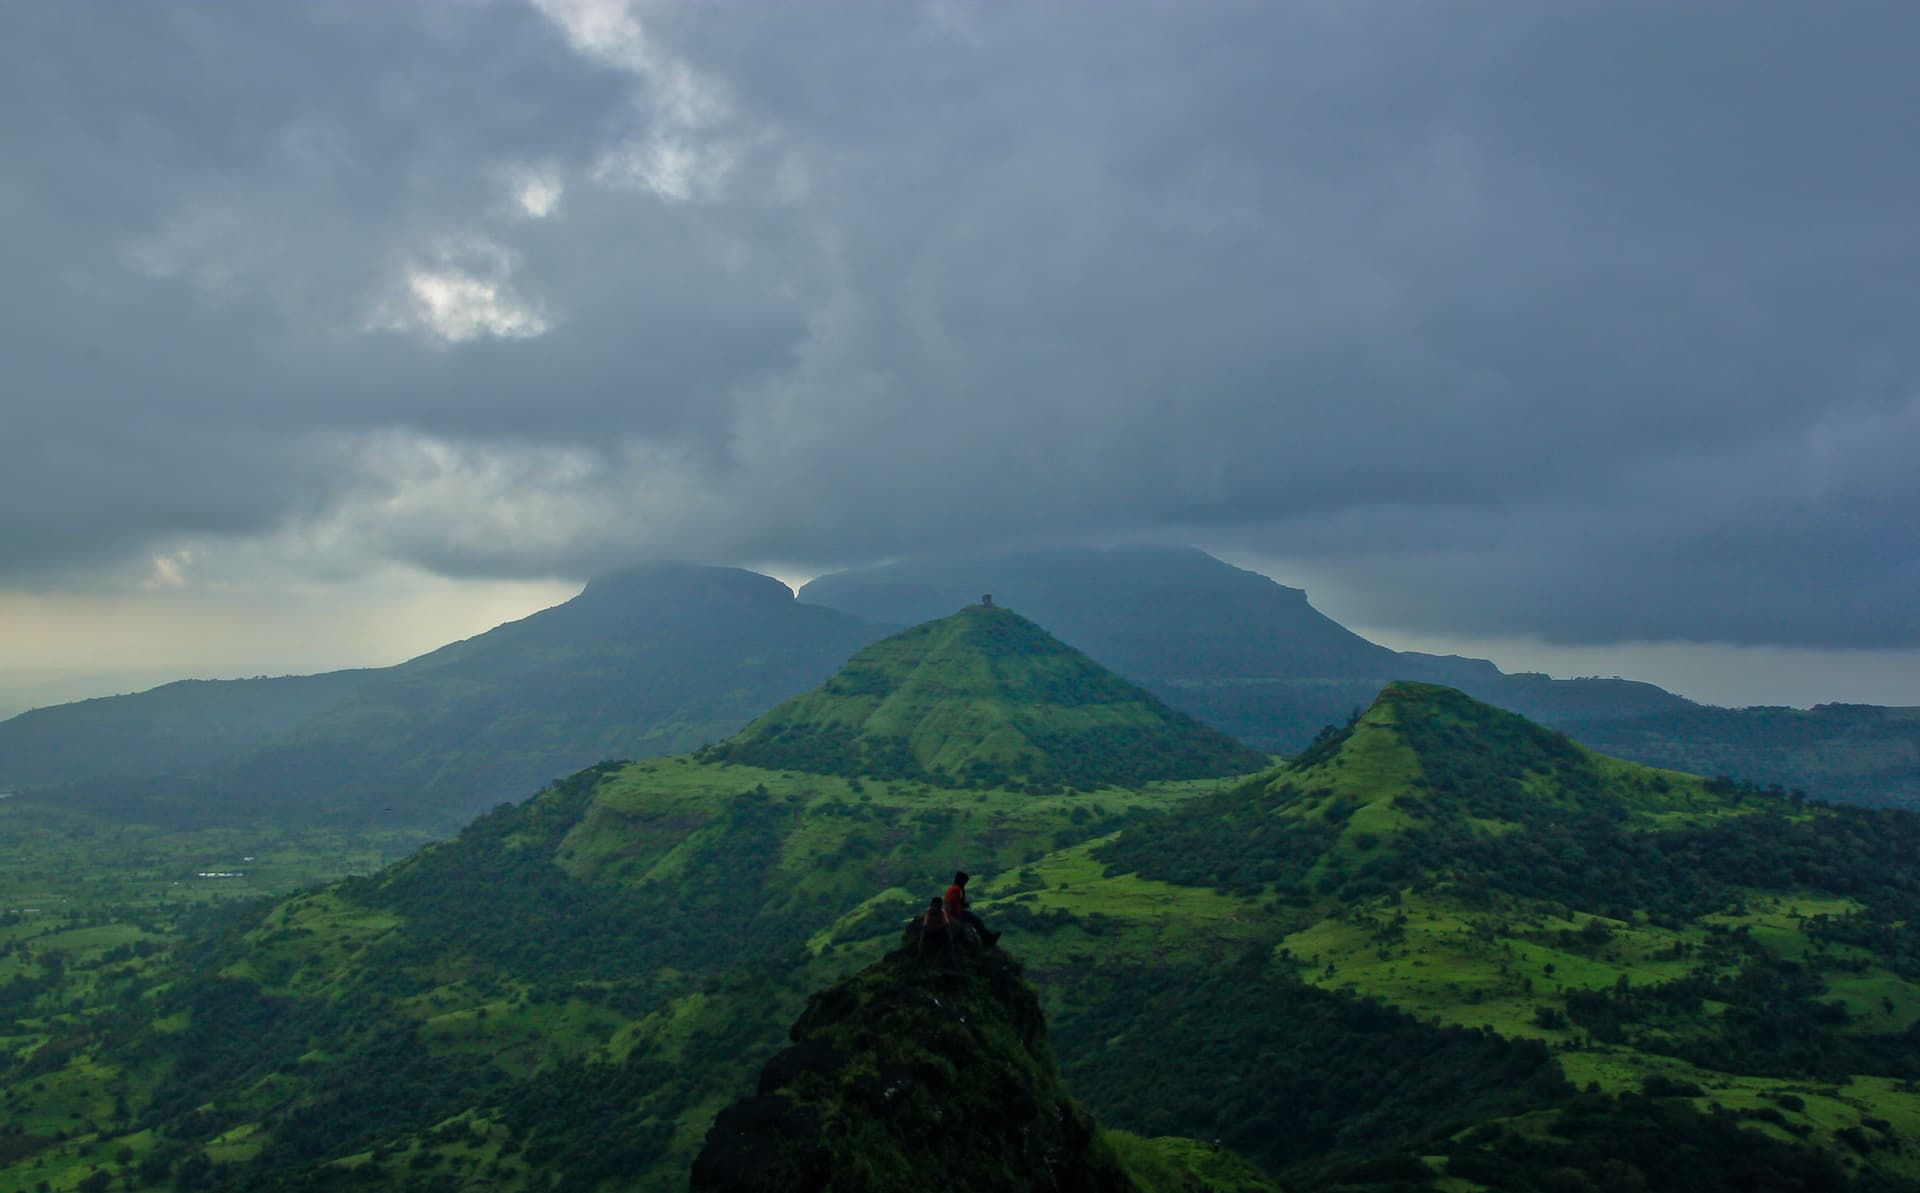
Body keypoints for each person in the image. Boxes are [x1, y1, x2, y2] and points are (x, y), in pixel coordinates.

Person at [944, 871, 999, 947]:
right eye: (965, 882)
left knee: (976, 919)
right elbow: (949, 903)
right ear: (961, 881)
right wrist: (949, 917)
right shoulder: (955, 889)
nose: (965, 884)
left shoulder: (955, 889)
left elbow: (956, 902)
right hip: (956, 915)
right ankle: (987, 939)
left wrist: (963, 904)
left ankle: (987, 937)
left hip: (957, 913)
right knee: (977, 920)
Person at [919, 895, 956, 961]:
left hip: (939, 931)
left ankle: (950, 955)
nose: (937, 908)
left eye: (939, 906)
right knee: (922, 937)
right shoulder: (928, 912)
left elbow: (946, 924)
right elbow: (925, 925)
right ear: (932, 905)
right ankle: (921, 955)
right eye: (935, 906)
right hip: (930, 931)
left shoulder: (941, 912)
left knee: (948, 936)